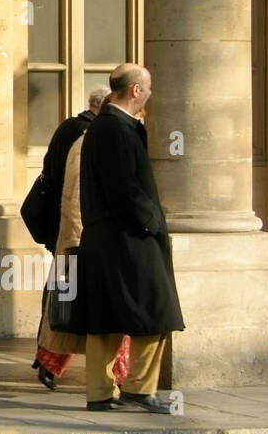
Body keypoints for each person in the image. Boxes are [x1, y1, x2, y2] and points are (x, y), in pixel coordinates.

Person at [75, 63, 185, 413]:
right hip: (128, 238)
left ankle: (101, 392)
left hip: (110, 237)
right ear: (135, 90)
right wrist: (152, 222)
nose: (151, 94)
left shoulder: (111, 125)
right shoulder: (115, 129)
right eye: (148, 87)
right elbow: (124, 189)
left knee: (106, 317)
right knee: (157, 310)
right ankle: (138, 386)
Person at [30, 87, 130, 389]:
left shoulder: (70, 129)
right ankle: (119, 377)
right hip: (82, 236)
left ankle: (49, 362)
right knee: (76, 306)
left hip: (69, 233)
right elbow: (75, 196)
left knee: (65, 304)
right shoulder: (90, 139)